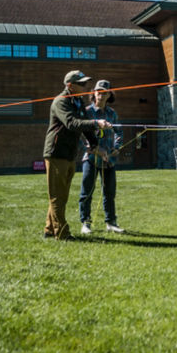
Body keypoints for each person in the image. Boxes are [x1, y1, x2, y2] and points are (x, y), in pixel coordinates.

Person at [43, 70, 112, 241]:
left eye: (85, 83)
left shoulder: (78, 102)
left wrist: (96, 145)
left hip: (69, 154)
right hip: (56, 153)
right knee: (57, 196)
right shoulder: (61, 102)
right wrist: (96, 122)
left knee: (62, 195)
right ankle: (62, 233)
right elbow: (72, 123)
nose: (85, 86)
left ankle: (49, 229)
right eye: (81, 84)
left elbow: (85, 127)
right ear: (70, 86)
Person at [79, 79, 125, 234]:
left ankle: (111, 222)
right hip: (91, 159)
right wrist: (95, 149)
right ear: (94, 93)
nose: (101, 95)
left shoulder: (112, 114)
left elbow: (119, 133)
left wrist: (117, 148)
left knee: (109, 193)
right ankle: (86, 223)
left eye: (104, 93)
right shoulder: (86, 112)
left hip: (109, 160)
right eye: (98, 92)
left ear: (108, 95)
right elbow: (81, 135)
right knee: (87, 192)